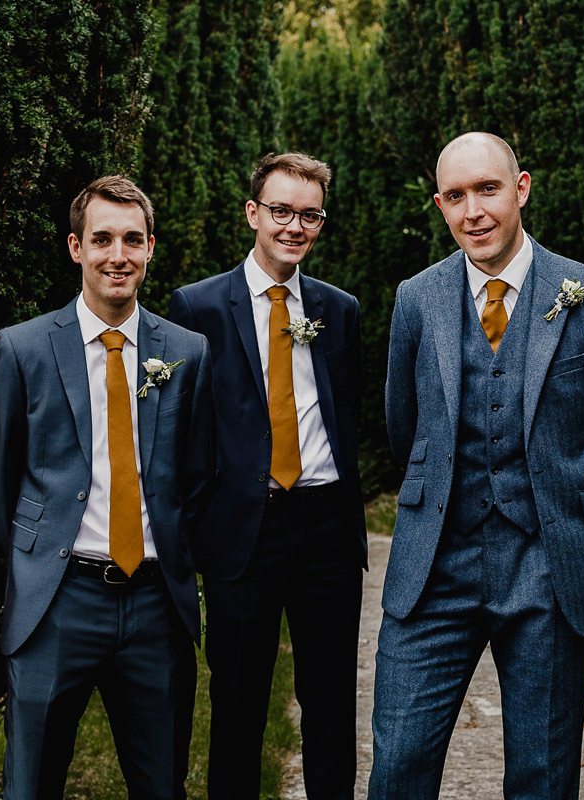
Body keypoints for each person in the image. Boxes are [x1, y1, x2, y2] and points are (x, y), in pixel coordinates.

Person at [370, 131, 584, 800]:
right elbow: (404, 423)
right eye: (456, 197)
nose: (474, 211)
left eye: (487, 189)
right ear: (440, 205)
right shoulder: (417, 298)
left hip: (546, 571)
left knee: (542, 777)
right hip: (435, 567)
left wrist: (568, 501)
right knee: (399, 764)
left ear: (521, 188)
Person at [0, 175, 215, 799]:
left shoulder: (186, 352)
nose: (118, 255)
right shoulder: (23, 349)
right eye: (102, 239)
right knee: (32, 783)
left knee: (162, 783)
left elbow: (199, 472)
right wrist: (38, 553)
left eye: (132, 240)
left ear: (151, 247)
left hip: (156, 604)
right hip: (58, 601)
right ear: (76, 247)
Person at [168, 152, 367, 800]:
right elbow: (184, 429)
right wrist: (204, 517)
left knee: (332, 703)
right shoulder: (198, 307)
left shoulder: (339, 311)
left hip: (327, 527)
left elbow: (347, 410)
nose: (294, 226)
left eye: (309, 215)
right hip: (243, 530)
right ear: (254, 213)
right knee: (238, 706)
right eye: (281, 211)